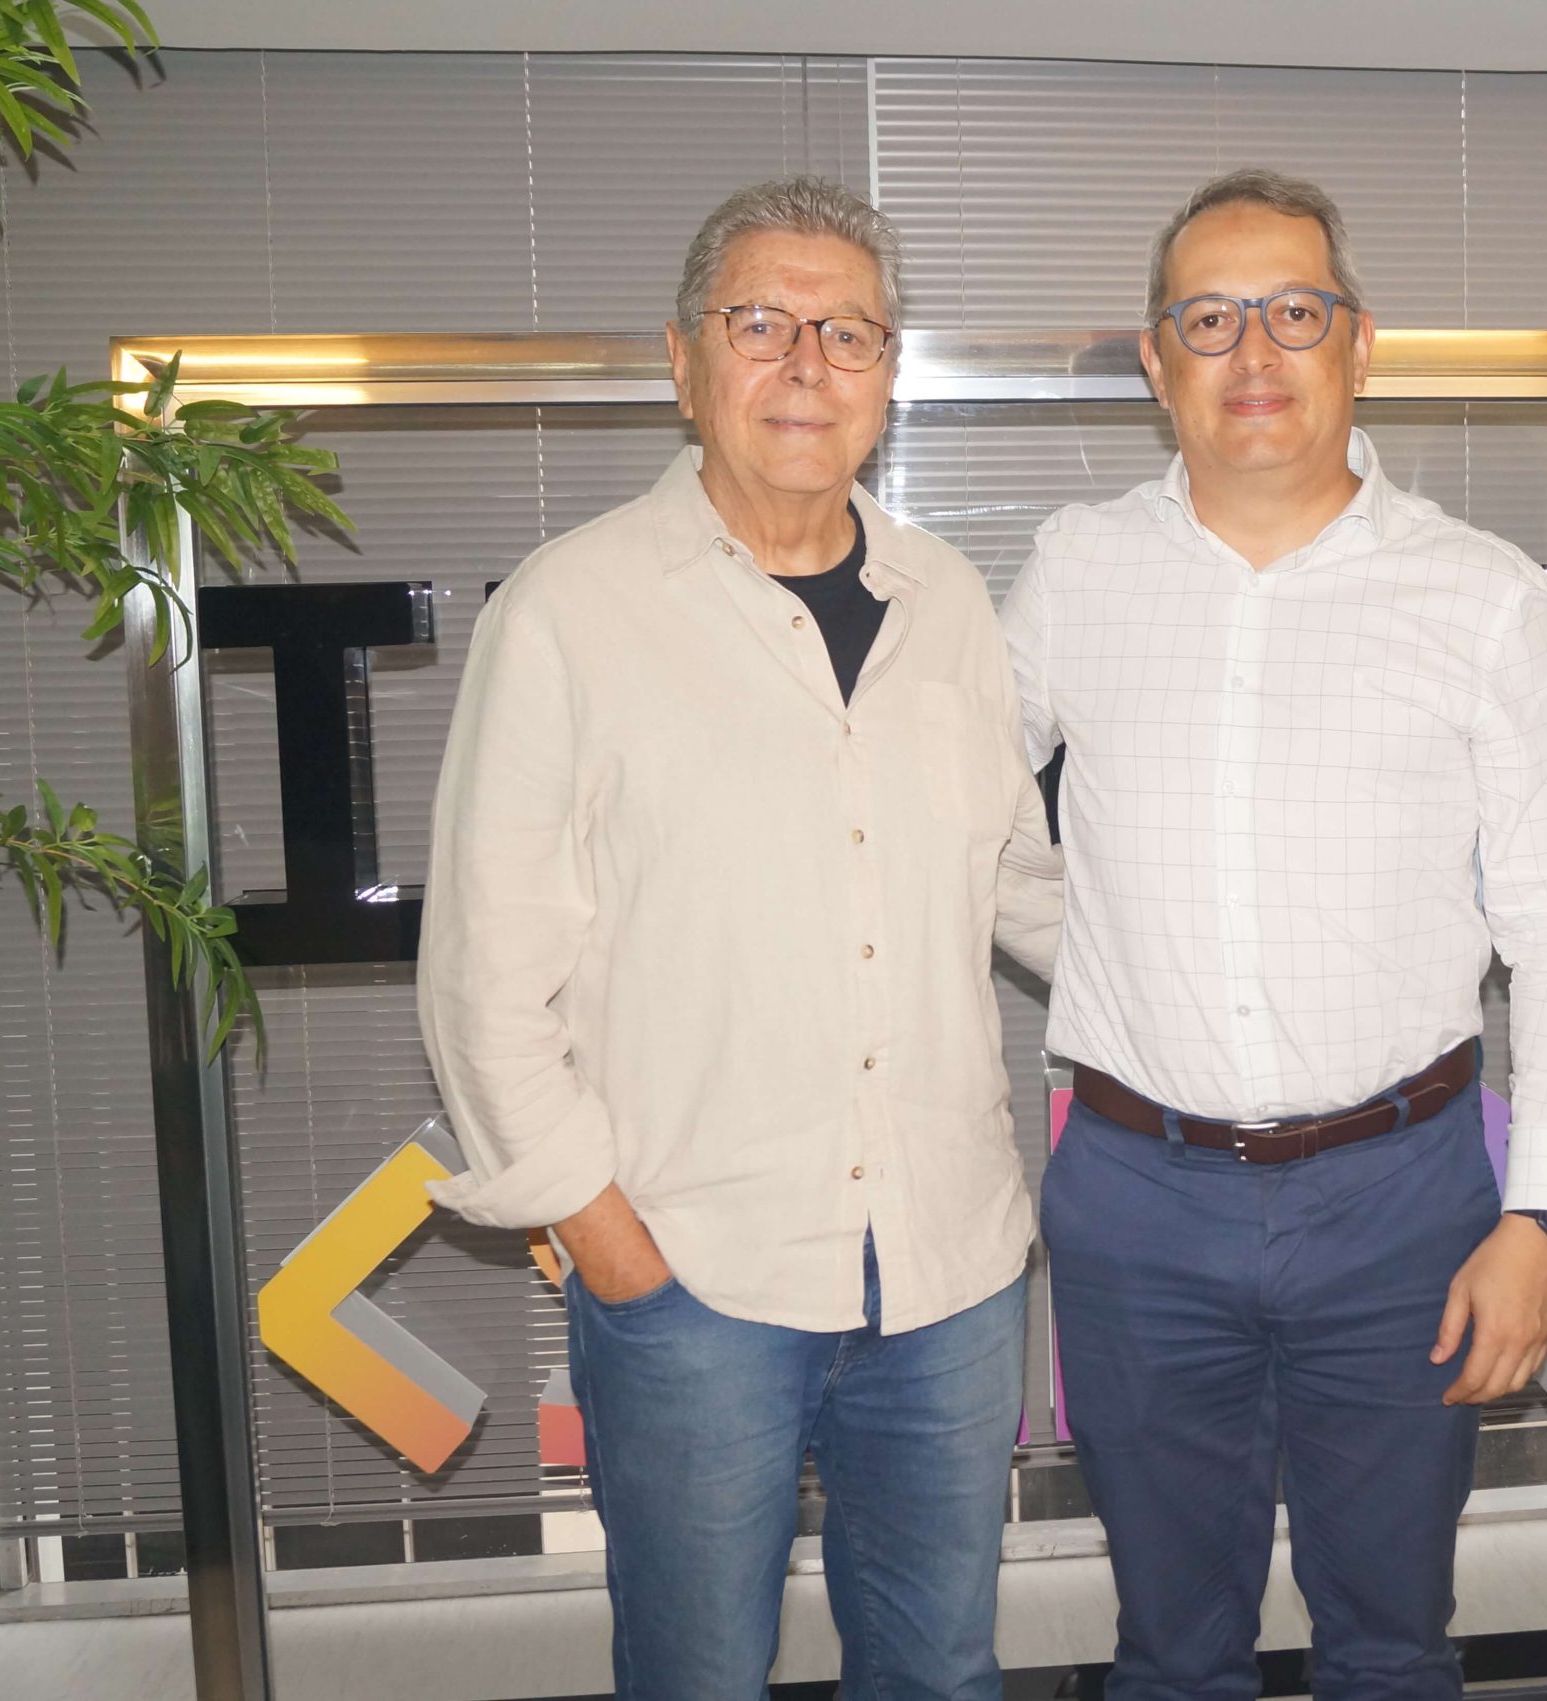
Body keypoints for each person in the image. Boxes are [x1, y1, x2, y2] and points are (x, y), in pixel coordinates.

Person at [417, 176, 1060, 1701]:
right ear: (684, 357)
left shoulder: (948, 601)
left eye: (849, 331)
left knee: (944, 1673)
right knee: (697, 1678)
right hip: (693, 1281)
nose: (805, 364)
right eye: (760, 322)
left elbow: (1025, 888)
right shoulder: (570, 613)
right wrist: (610, 1240)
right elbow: (484, 978)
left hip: (950, 1272)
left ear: (888, 374)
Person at [1003, 169, 1547, 1700]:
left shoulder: (1481, 596)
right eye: (1210, 318)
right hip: (1137, 1202)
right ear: (1159, 362)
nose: (1255, 352)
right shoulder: (1077, 569)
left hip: (1401, 1201)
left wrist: (1543, 1220)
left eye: (1293, 310)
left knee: (1391, 1645)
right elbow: (959, 822)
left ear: (1359, 341)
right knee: (1170, 1651)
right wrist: (1118, 954)